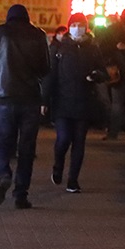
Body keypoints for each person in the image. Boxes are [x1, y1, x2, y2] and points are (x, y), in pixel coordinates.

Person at [0, 4, 49, 209]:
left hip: (4, 97)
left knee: (2, 142)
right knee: (27, 148)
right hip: (30, 99)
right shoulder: (38, 35)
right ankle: (21, 194)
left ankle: (3, 174)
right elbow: (45, 67)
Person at [43, 14, 106, 193]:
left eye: (81, 25)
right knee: (63, 139)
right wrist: (44, 100)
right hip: (63, 101)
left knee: (79, 142)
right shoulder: (59, 48)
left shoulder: (93, 48)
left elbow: (103, 72)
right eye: (74, 24)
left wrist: (95, 75)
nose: (77, 28)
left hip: (84, 101)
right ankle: (58, 165)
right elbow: (50, 75)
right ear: (69, 27)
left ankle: (73, 180)